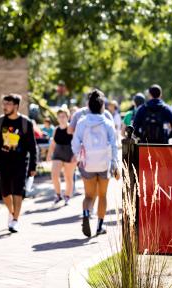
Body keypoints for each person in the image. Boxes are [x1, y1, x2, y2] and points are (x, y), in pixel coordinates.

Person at [71, 89, 120, 237]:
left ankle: (86, 212)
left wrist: (79, 157)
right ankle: (99, 226)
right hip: (104, 164)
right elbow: (114, 145)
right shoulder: (107, 123)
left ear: (89, 106)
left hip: (88, 165)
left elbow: (75, 144)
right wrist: (115, 164)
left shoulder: (81, 122)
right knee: (103, 195)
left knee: (88, 196)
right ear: (102, 106)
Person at [0, 94, 37, 233]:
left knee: (17, 191)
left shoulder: (25, 123)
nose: (4, 107)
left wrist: (33, 166)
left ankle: (15, 220)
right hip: (4, 162)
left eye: (8, 104)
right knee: (5, 193)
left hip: (20, 162)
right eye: (4, 104)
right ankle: (11, 212)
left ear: (16, 106)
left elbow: (32, 147)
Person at [46, 108, 77, 206]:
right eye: (59, 117)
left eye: (63, 116)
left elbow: (77, 143)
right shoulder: (56, 129)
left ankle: (67, 196)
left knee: (68, 177)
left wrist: (76, 155)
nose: (61, 119)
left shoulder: (72, 129)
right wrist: (49, 154)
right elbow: (53, 143)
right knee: (54, 175)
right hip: (58, 154)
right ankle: (58, 195)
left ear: (68, 117)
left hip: (70, 154)